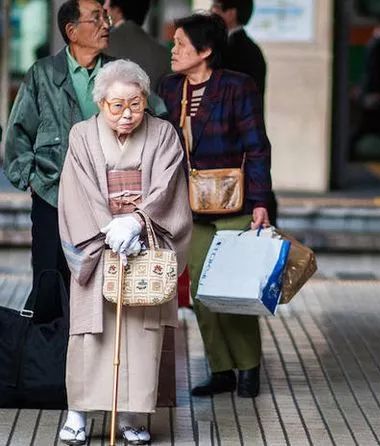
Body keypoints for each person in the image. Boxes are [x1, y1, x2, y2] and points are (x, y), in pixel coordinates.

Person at [57, 59, 192, 445]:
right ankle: (78, 412)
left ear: (145, 100)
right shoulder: (81, 135)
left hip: (143, 244)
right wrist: (108, 229)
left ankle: (134, 416)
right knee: (89, 333)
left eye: (135, 104)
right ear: (100, 103)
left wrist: (136, 223)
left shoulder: (164, 134)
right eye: (117, 106)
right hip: (98, 244)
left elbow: (168, 187)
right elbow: (76, 190)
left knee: (142, 333)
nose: (128, 114)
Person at [159, 13, 272, 398]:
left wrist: (259, 202)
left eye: (181, 44)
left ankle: (249, 367)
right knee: (203, 294)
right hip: (187, 205)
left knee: (233, 291)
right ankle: (221, 368)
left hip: (233, 203)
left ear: (205, 51)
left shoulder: (238, 87)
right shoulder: (170, 88)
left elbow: (257, 146)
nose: (173, 51)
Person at [3, 0, 113, 326]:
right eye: (96, 19)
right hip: (52, 195)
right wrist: (33, 180)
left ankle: (89, 363)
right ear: (72, 31)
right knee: (50, 280)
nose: (106, 24)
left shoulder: (118, 73)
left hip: (105, 199)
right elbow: (17, 134)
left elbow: (154, 118)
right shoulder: (43, 74)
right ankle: (46, 363)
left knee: (97, 284)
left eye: (105, 17)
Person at [210, 0, 278, 226]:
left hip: (235, 143)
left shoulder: (240, 51)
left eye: (216, 8)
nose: (212, 12)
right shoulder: (243, 48)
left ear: (231, 13)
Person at [349, 16, 380, 161]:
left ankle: (351, 151)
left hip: (375, 93)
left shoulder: (375, 45)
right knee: (373, 125)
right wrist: (378, 93)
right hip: (376, 94)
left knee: (374, 125)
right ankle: (350, 152)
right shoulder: (377, 46)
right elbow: (375, 72)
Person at [103, 0, 171, 92]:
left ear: (117, 10)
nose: (105, 7)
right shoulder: (164, 53)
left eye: (107, 3)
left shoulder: (102, 43)